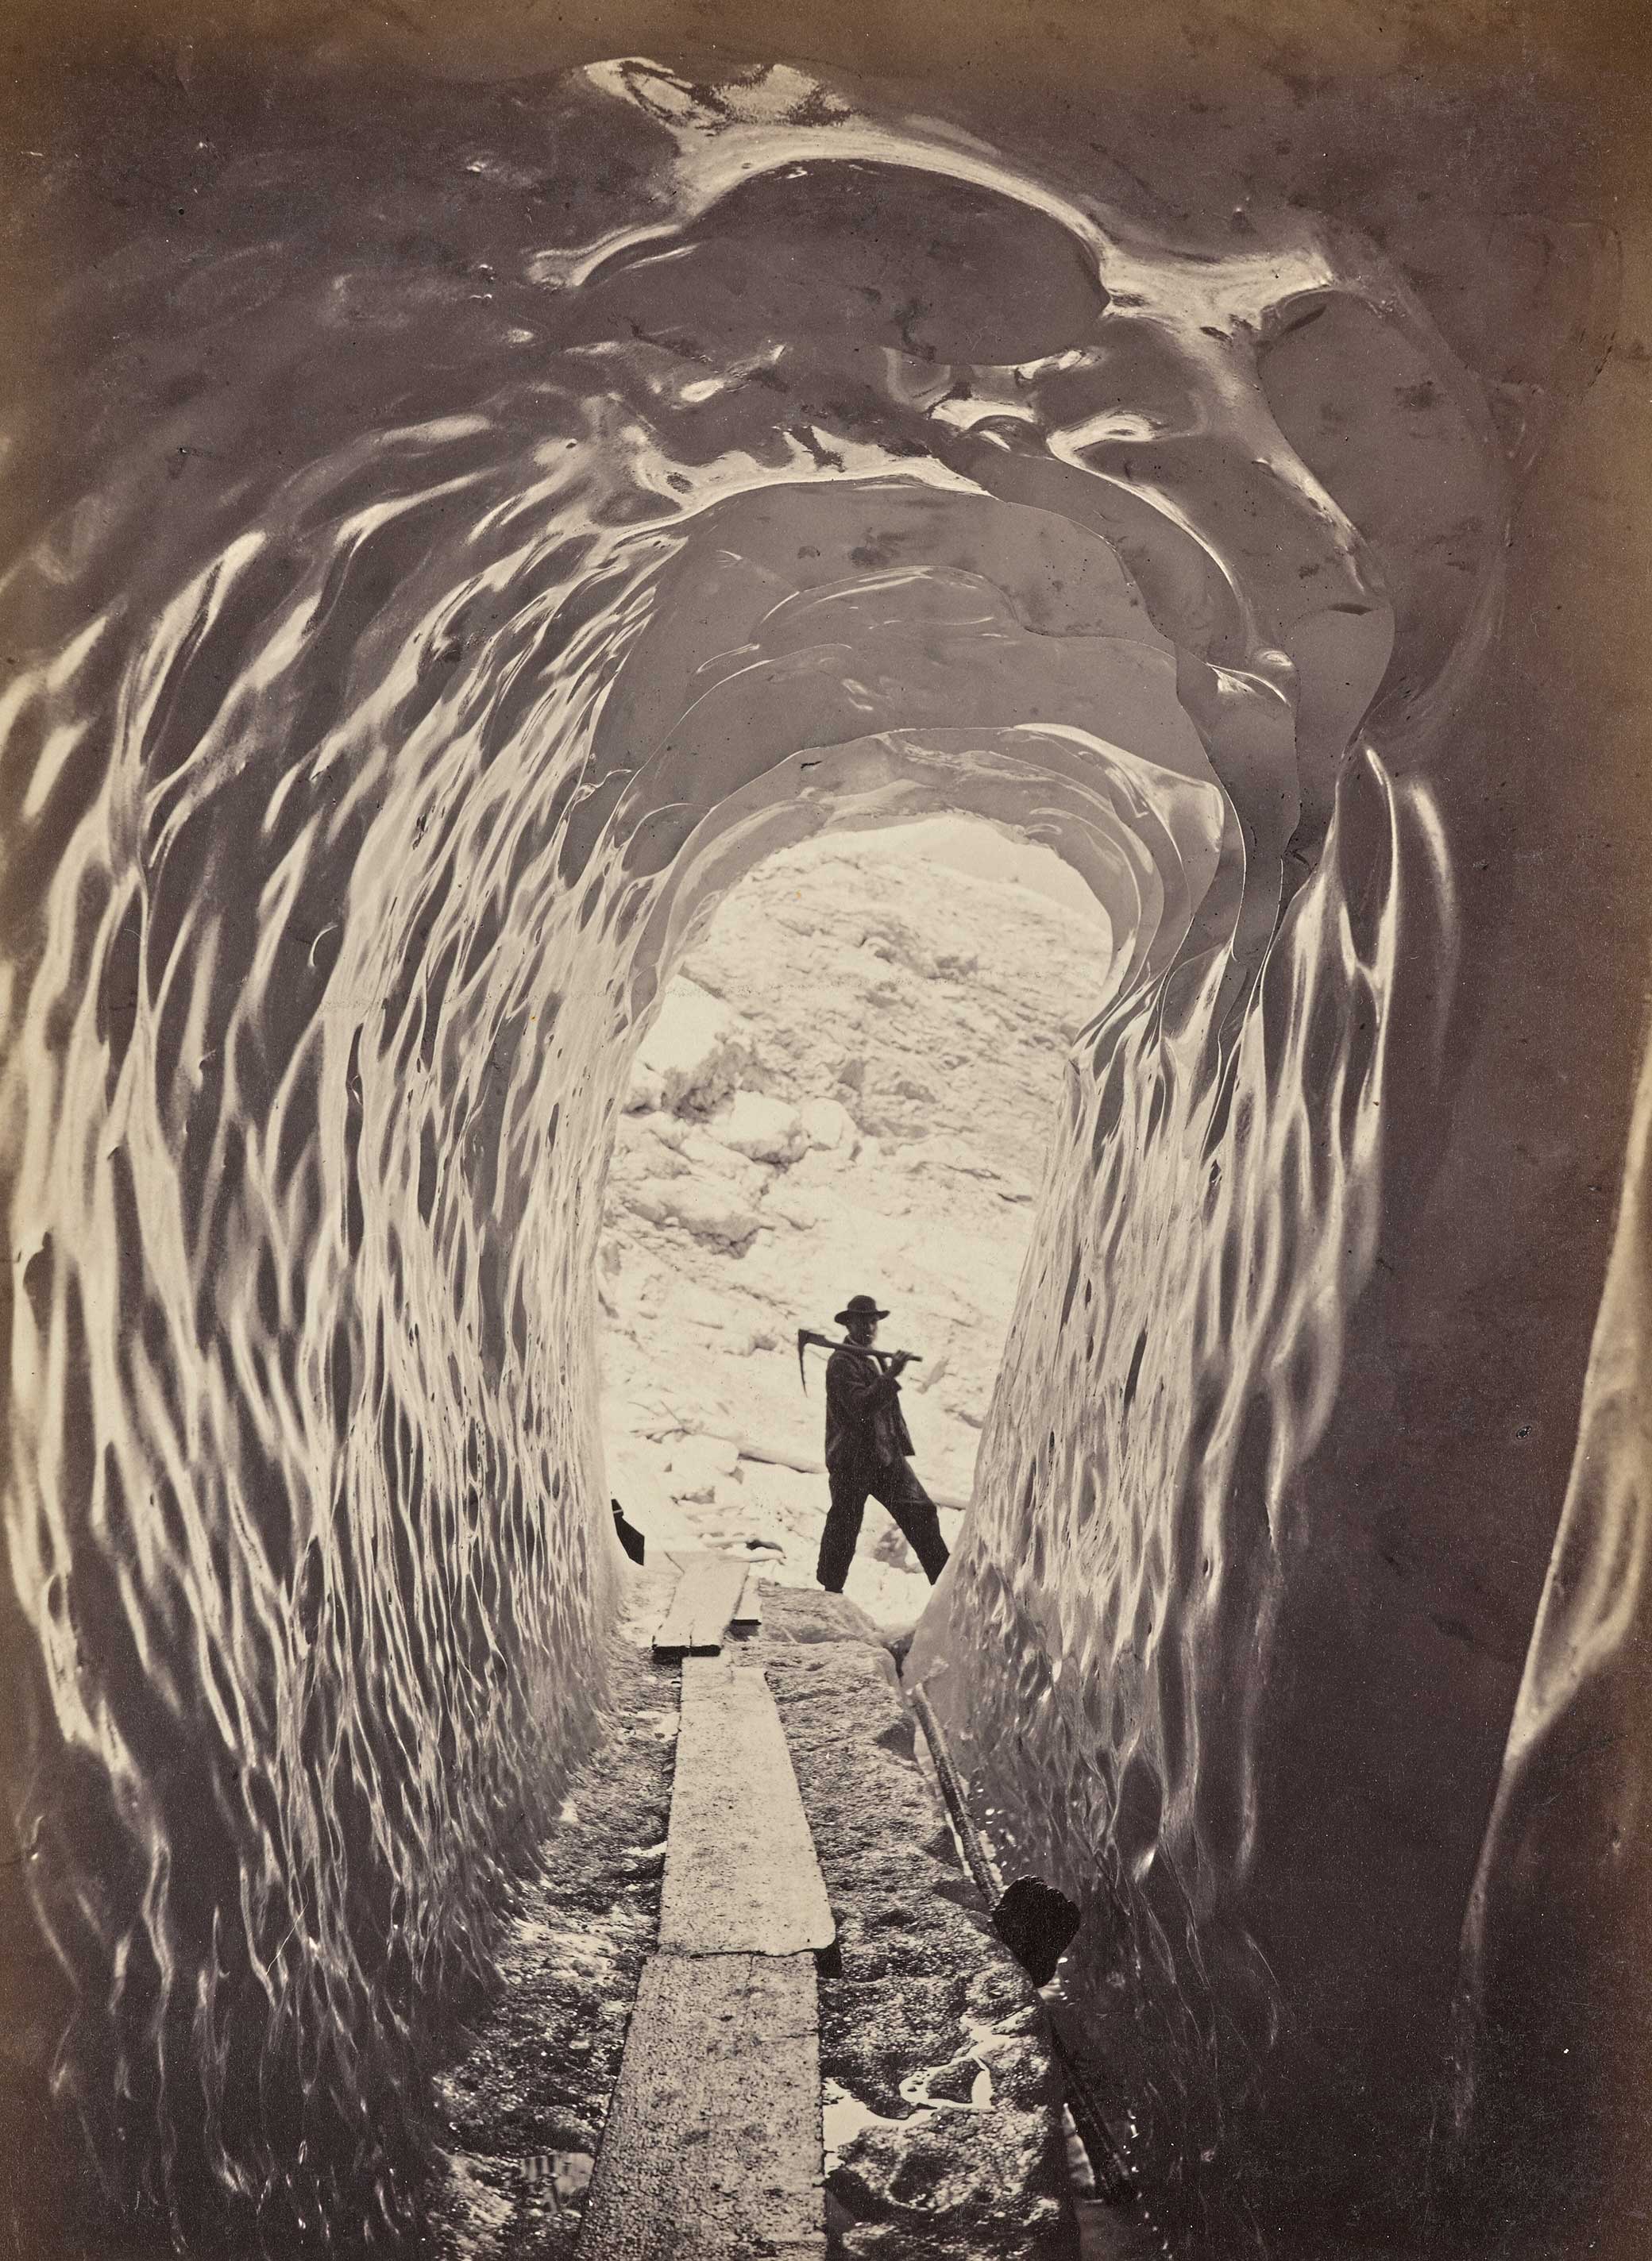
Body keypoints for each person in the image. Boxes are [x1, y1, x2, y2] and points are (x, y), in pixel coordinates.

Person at [816, 1293, 950, 1593]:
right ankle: (830, 1590)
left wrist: (896, 1444)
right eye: (862, 1320)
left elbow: (885, 1410)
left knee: (921, 1512)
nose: (869, 1326)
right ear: (849, 1323)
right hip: (852, 1460)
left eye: (873, 1320)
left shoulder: (871, 1356)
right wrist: (891, 1375)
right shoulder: (841, 1361)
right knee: (845, 1524)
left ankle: (947, 1588)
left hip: (884, 1455)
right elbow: (860, 1407)